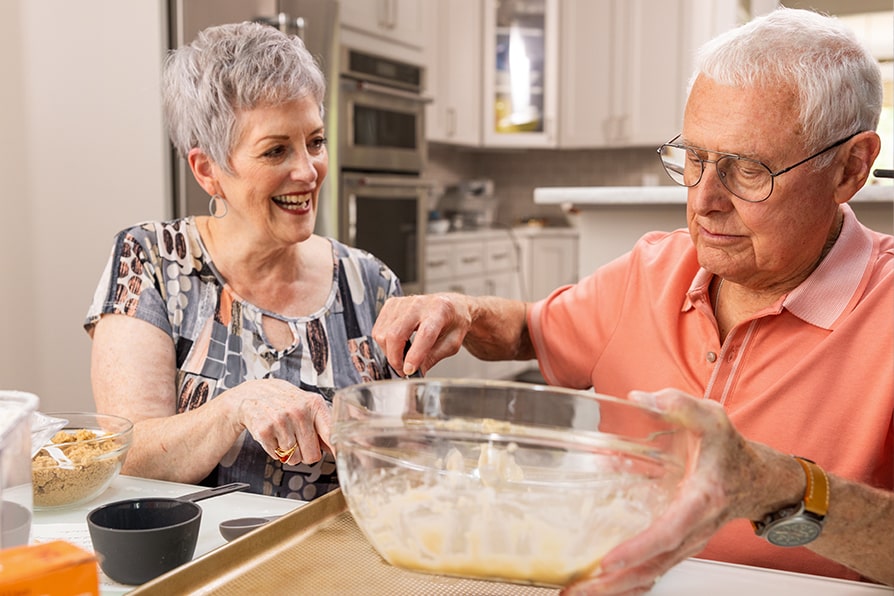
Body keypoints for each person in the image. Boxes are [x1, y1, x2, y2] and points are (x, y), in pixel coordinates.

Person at [372, 7, 893, 591]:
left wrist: (777, 485)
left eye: (747, 170)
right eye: (694, 159)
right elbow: (530, 331)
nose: (704, 201)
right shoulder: (652, 268)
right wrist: (463, 311)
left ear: (850, 168)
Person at [85, 22, 403, 502]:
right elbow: (127, 455)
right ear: (207, 169)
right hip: (203, 564)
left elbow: (415, 460)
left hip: (350, 558)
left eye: (314, 142)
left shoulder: (371, 283)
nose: (307, 170)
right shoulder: (150, 260)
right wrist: (237, 405)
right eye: (276, 150)